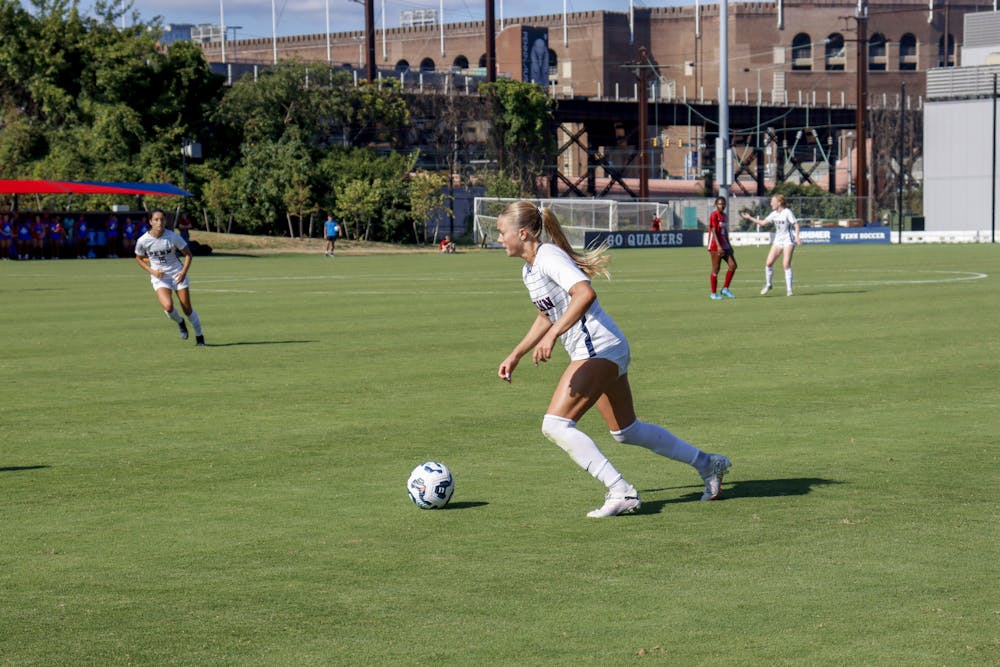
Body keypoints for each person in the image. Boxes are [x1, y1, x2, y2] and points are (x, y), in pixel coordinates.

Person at [495, 201, 731, 518]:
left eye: (501, 232)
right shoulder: (530, 269)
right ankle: (708, 463)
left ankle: (621, 491)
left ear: (522, 233)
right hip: (604, 348)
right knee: (626, 431)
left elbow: (584, 293)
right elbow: (547, 314)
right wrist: (516, 353)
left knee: (555, 425)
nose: (498, 238)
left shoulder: (549, 256)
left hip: (598, 348)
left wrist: (552, 337)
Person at [134, 209, 205, 346]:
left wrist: (183, 272)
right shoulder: (143, 240)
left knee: (187, 308)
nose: (159, 222)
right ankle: (180, 322)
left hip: (177, 274)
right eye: (156, 219)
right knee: (168, 306)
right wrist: (152, 271)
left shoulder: (173, 236)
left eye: (162, 219)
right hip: (160, 277)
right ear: (150, 222)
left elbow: (188, 255)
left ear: (166, 221)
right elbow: (139, 258)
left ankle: (199, 336)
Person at [740, 194, 801, 296]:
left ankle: (789, 290)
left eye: (773, 201)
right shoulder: (774, 214)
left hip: (788, 240)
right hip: (778, 240)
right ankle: (769, 284)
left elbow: (796, 225)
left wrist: (797, 237)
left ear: (779, 202)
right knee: (768, 263)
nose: (771, 203)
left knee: (785, 264)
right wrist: (750, 217)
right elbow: (763, 223)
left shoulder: (787, 212)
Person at [707, 196, 737, 300]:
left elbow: (725, 232)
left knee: (733, 265)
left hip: (724, 244)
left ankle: (725, 289)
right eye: (720, 204)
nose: (722, 205)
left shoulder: (724, 216)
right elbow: (714, 231)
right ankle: (713, 293)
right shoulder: (714, 215)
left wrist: (729, 245)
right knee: (716, 269)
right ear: (716, 204)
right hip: (715, 245)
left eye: (723, 204)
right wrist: (719, 246)